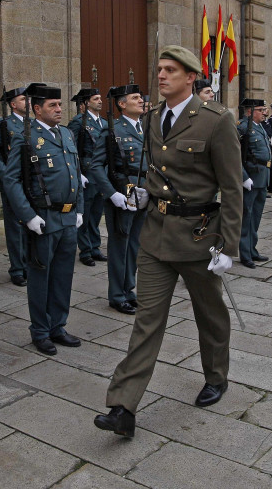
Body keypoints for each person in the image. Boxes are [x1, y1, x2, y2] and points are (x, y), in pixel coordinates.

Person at [94, 45, 243, 438]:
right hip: (156, 236)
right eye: (159, 69)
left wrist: (228, 247)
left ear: (191, 77)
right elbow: (155, 168)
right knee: (146, 322)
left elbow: (231, 187)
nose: (160, 76)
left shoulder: (216, 120)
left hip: (198, 237)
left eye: (170, 71)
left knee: (210, 315)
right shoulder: (153, 118)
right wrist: (145, 193)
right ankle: (123, 406)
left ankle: (216, 376)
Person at [4, 83, 83, 355]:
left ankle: (57, 326)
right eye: (53, 105)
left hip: (68, 218)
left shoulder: (67, 134)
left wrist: (80, 209)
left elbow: (76, 174)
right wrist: (28, 216)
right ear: (37, 109)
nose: (60, 109)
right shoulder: (26, 137)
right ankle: (40, 330)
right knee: (41, 277)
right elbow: (11, 180)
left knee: (63, 276)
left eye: (60, 105)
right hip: (44, 219)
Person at [88, 85, 146, 314]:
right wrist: (112, 194)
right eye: (135, 98)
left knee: (134, 246)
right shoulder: (113, 130)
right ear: (122, 104)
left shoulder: (144, 129)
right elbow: (95, 166)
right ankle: (117, 295)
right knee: (119, 246)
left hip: (143, 194)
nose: (141, 101)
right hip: (122, 195)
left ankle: (129, 289)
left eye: (141, 97)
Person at [0, 86, 29, 286]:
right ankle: (18, 269)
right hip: (14, 184)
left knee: (32, 225)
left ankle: (30, 263)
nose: (27, 102)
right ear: (13, 105)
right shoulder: (4, 125)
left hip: (32, 183)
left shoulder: (34, 124)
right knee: (15, 228)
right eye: (22, 99)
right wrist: (7, 175)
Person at [68, 87, 107, 267]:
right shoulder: (78, 122)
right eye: (96, 98)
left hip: (101, 175)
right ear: (86, 103)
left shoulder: (104, 123)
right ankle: (85, 250)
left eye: (100, 98)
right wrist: (79, 173)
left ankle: (95, 247)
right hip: (87, 172)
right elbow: (72, 149)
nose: (100, 101)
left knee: (97, 213)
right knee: (86, 213)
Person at [237, 98, 271, 268]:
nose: (264, 113)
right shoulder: (243, 127)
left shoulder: (258, 127)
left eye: (264, 109)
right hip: (250, 177)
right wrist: (243, 177)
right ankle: (245, 254)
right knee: (246, 217)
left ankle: (252, 249)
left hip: (262, 177)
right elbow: (236, 156)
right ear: (249, 111)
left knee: (256, 217)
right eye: (260, 109)